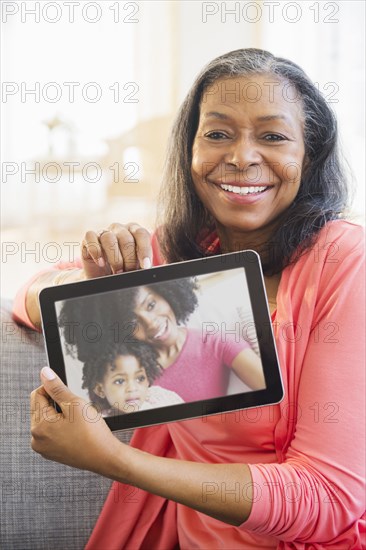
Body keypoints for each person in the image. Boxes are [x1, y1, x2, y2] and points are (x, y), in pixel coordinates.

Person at [23, 48, 365, 548]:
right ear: (190, 150)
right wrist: (90, 289)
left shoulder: (343, 259)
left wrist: (114, 460)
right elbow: (27, 296)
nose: (241, 157)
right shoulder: (179, 251)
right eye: (218, 134)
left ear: (308, 155)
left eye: (272, 136)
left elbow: (329, 498)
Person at [58, 277, 266, 402]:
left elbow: (274, 390)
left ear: (168, 294)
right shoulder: (125, 366)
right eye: (132, 322)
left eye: (150, 305)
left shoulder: (216, 342)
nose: (150, 323)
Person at [82, 341, 184, 415]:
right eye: (120, 381)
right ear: (100, 389)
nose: (132, 388)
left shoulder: (164, 401)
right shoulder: (99, 425)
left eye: (140, 378)